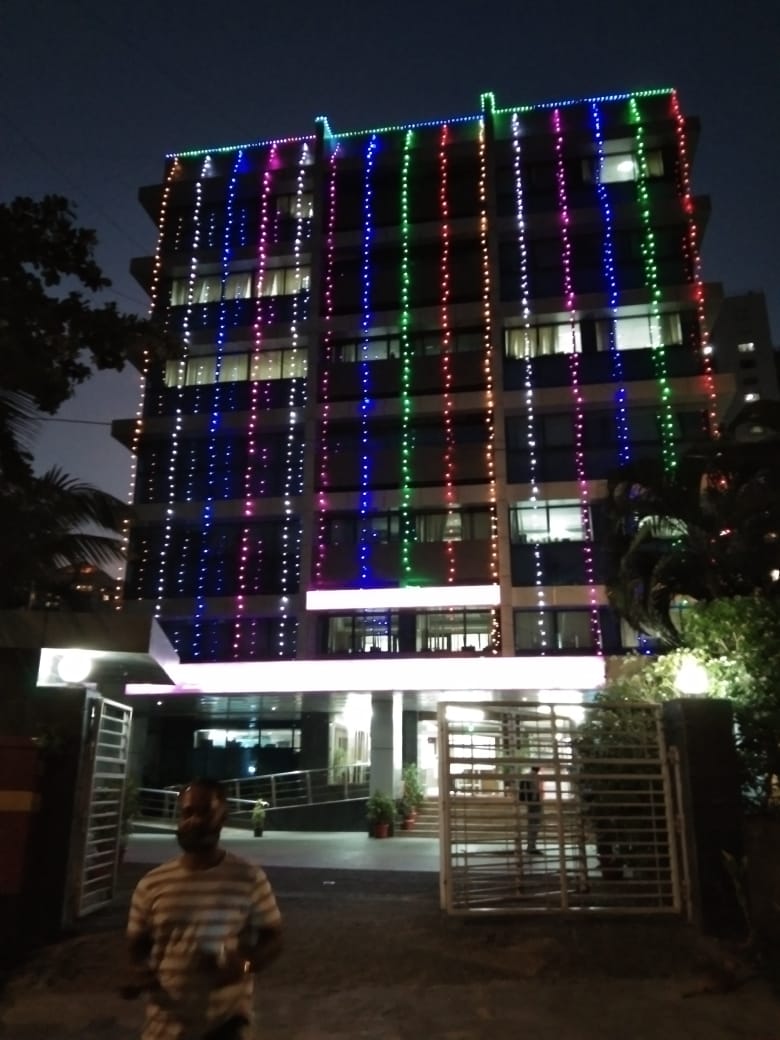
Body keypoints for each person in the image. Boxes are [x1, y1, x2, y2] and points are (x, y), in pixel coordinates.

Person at [120, 778, 283, 1040]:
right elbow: (137, 948)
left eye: (205, 812)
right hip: (164, 1029)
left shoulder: (248, 878)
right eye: (188, 813)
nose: (195, 820)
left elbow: (274, 938)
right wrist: (137, 974)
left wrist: (244, 964)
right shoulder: (152, 884)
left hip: (226, 1028)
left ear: (223, 817)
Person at [524, 765, 544, 855]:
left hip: (530, 803)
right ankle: (532, 846)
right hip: (535, 803)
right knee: (535, 825)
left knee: (531, 825)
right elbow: (536, 791)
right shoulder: (535, 777)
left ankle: (530, 846)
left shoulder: (527, 776)